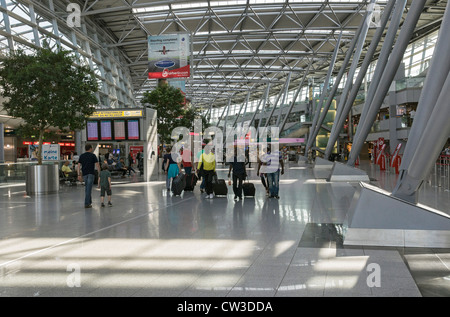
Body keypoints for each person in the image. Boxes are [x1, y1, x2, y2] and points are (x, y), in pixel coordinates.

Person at [77, 144, 100, 208]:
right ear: (90, 148)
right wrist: (99, 173)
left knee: (87, 188)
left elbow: (78, 166)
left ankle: (89, 202)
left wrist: (79, 174)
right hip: (91, 173)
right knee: (88, 189)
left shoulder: (82, 156)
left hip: (84, 174)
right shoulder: (93, 156)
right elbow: (97, 165)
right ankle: (86, 203)